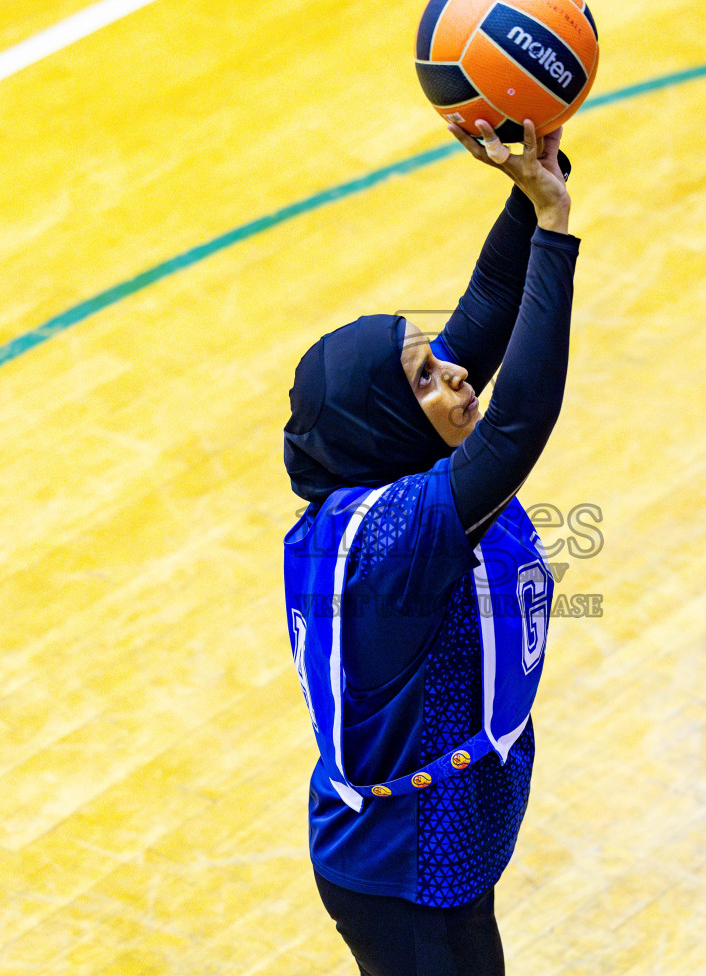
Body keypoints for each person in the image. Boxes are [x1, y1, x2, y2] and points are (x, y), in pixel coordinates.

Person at [282, 118, 580, 976]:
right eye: (425, 377)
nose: (455, 377)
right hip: (400, 863)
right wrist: (556, 230)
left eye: (438, 361)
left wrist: (539, 167)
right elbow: (520, 422)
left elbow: (486, 312)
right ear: (385, 419)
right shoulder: (391, 540)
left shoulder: (393, 465)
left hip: (442, 836)